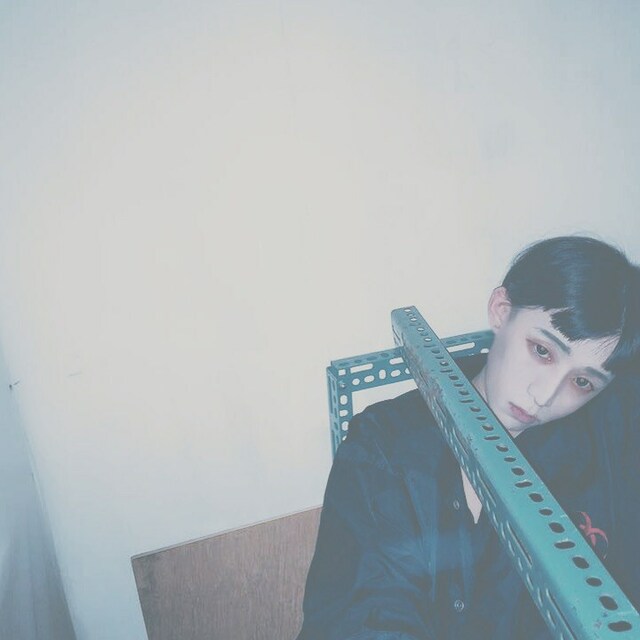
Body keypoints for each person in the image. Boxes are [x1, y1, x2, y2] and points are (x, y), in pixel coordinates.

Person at [297, 236, 640, 640]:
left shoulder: (599, 443)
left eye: (582, 382)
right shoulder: (386, 446)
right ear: (501, 311)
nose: (544, 395)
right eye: (542, 351)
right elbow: (365, 616)